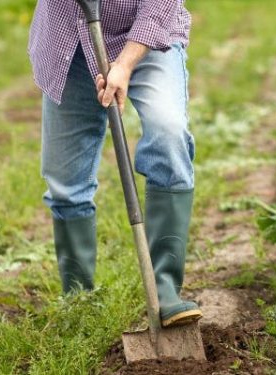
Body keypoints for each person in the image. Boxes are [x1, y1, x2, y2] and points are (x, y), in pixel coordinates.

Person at [27, 0, 202, 328]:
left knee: (169, 134)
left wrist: (124, 64)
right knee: (65, 183)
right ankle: (79, 301)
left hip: (149, 38)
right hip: (70, 43)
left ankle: (164, 289)